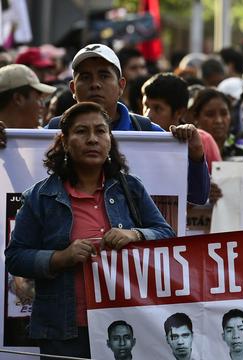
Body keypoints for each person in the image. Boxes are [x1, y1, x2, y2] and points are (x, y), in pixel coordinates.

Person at [4, 102, 175, 358]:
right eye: (82, 132)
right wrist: (60, 258)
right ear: (64, 141)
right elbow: (15, 258)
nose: (92, 139)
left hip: (125, 325)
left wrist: (135, 234)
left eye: (100, 131)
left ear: (110, 140)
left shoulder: (131, 188)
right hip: (63, 331)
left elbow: (166, 235)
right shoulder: (40, 196)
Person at [44, 44, 211, 205]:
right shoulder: (52, 133)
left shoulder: (148, 133)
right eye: (85, 77)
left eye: (104, 75)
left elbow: (197, 196)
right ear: (73, 88)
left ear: (121, 85)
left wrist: (195, 156)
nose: (95, 84)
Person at [141, 73, 221, 166]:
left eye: (158, 108)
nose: (148, 115)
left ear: (179, 112)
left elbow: (216, 180)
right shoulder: (133, 138)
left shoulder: (203, 141)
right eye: (146, 106)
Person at [189, 88, 243, 159]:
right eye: (210, 114)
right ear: (196, 118)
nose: (218, 121)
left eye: (224, 114)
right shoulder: (190, 150)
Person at [0, 64, 56, 129]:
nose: (42, 106)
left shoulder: (46, 136)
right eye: (38, 98)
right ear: (18, 99)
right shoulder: (44, 137)